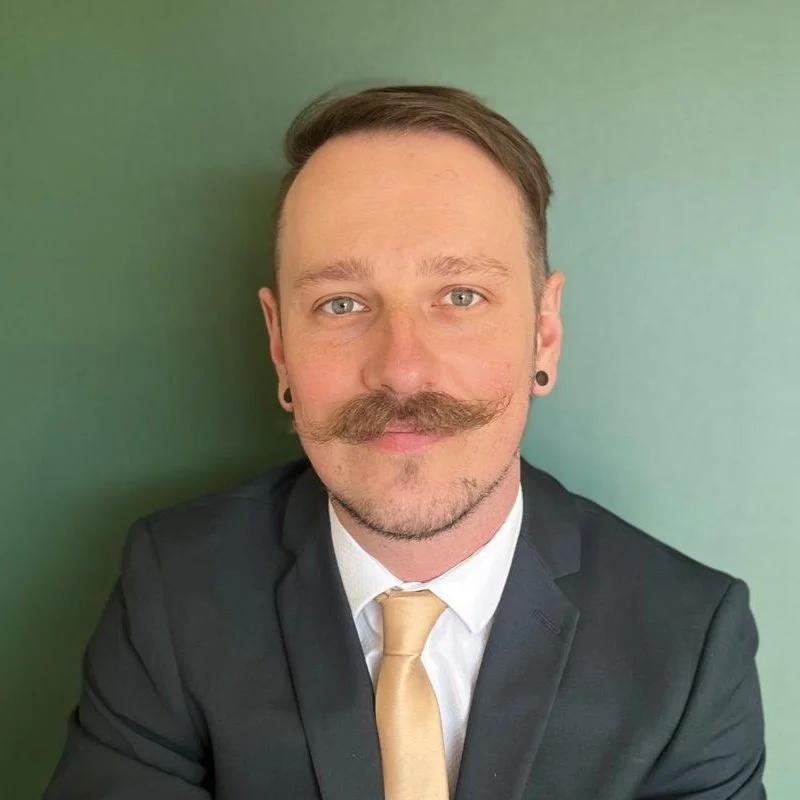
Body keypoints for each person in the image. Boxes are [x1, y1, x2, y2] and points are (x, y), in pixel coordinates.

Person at [44, 85, 766, 800]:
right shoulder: (174, 588)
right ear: (280, 347)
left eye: (460, 296)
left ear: (544, 333)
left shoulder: (691, 640)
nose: (401, 368)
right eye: (341, 304)